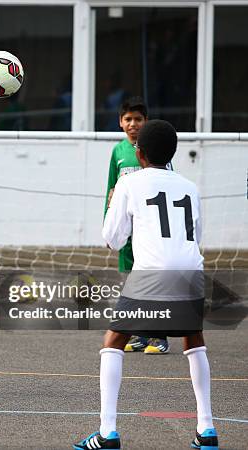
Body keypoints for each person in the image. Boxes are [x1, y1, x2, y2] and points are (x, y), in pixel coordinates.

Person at [74, 120, 218, 450]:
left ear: (139, 154)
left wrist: (114, 204)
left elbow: (112, 239)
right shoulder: (190, 187)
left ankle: (107, 432)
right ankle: (207, 429)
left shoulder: (130, 183)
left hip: (152, 273)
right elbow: (197, 236)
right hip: (190, 270)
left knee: (114, 341)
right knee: (194, 341)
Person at [104, 97, 170, 355]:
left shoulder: (155, 151)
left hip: (147, 231)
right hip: (125, 231)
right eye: (128, 119)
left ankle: (161, 336)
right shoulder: (118, 152)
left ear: (146, 123)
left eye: (138, 119)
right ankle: (142, 334)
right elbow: (110, 190)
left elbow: (165, 185)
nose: (133, 124)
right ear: (120, 123)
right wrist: (107, 222)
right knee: (131, 284)